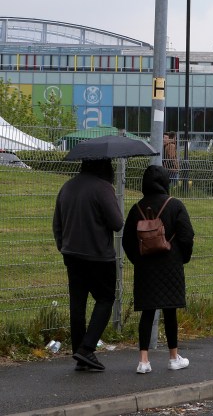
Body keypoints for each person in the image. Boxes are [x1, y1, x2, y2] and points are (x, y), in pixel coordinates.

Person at [121, 165, 195, 374]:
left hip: (146, 267)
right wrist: (182, 257)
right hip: (170, 265)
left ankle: (143, 360)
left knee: (147, 311)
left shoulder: (136, 208)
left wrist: (138, 259)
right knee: (170, 311)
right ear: (165, 182)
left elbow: (127, 241)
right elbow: (187, 235)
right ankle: (173, 356)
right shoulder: (175, 205)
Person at [52, 158, 124, 372]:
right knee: (105, 298)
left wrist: (62, 246)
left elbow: (57, 222)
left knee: (78, 304)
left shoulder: (67, 187)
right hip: (98, 256)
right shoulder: (103, 188)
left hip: (72, 254)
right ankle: (87, 347)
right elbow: (117, 223)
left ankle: (80, 353)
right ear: (103, 167)